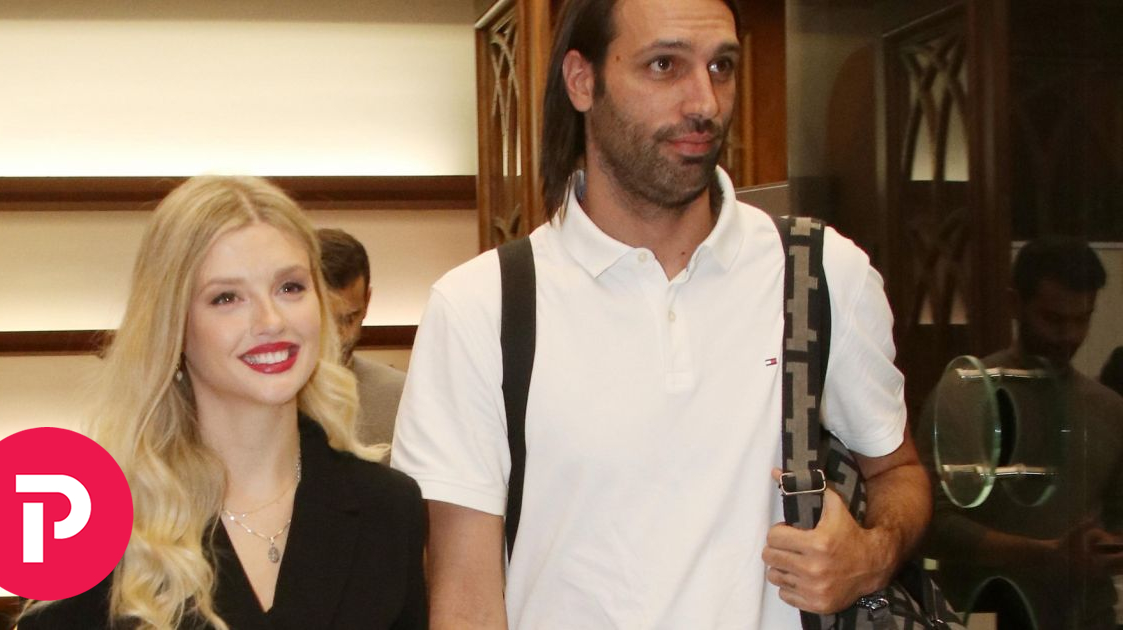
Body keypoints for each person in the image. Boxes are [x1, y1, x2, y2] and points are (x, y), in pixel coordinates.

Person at [390, 0, 930, 627]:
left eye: (721, 66)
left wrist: (871, 554)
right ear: (582, 81)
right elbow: (465, 595)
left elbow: (898, 470)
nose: (705, 102)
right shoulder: (482, 307)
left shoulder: (819, 272)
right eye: (665, 65)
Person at [18, 176, 426, 629]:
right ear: (172, 325)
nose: (271, 321)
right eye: (226, 297)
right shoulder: (81, 520)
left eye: (290, 287)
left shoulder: (388, 508)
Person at [917, 236, 1123, 629]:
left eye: (1082, 319)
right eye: (1053, 319)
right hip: (986, 614)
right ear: (1015, 304)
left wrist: (1106, 547)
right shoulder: (966, 393)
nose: (1069, 335)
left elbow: (1116, 518)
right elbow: (933, 524)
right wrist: (1048, 553)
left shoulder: (1110, 409)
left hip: (1088, 618)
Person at [316, 228, 406, 451]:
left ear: (367, 301)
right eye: (325, 320)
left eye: (349, 319)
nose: (338, 337)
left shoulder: (401, 396)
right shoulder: (266, 394)